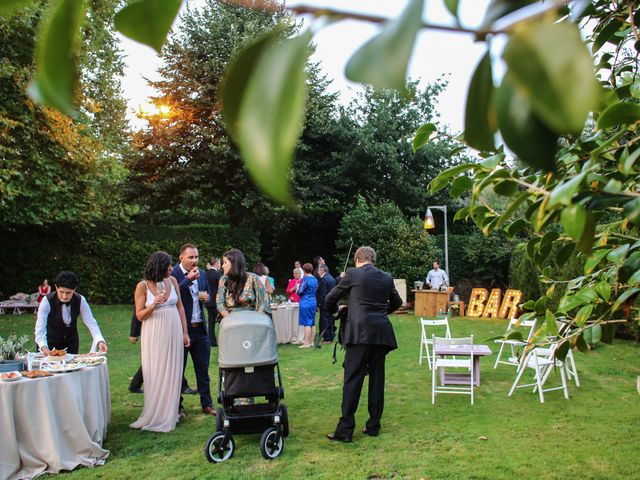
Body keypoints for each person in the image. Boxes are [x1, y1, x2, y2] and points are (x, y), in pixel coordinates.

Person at [325, 246, 403, 442]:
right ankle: (373, 426)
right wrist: (381, 313)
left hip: (359, 333)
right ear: (373, 259)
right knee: (377, 380)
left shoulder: (352, 274)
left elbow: (329, 298)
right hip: (381, 333)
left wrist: (338, 310)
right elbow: (398, 301)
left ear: (357, 259)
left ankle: (345, 430)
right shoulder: (386, 277)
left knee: (353, 379)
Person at [130, 251, 190, 432]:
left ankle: (171, 411)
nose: (171, 269)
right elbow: (140, 315)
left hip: (174, 329)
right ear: (158, 267)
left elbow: (179, 307)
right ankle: (157, 413)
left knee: (173, 369)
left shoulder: (171, 282)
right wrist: (153, 304)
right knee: (156, 370)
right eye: (168, 266)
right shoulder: (142, 286)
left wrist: (185, 332)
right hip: (154, 332)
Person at [171, 243, 215, 416]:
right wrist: (187, 279)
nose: (194, 260)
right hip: (181, 329)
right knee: (178, 371)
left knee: (203, 369)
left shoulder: (202, 274)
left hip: (200, 329)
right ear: (181, 257)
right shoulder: (173, 274)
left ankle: (207, 404)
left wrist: (207, 298)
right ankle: (178, 406)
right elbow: (173, 296)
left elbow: (208, 294)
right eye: (191, 257)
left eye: (196, 257)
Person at [35, 271, 108, 355]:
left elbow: (91, 322)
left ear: (74, 289)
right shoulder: (46, 301)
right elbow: (40, 328)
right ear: (56, 287)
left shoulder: (80, 300)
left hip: (71, 344)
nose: (64, 296)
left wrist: (100, 340)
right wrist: (44, 348)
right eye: (61, 292)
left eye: (68, 293)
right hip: (49, 344)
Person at [217, 249, 271, 318]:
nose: (222, 266)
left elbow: (263, 302)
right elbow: (219, 303)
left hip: (252, 319)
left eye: (225, 262)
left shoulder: (253, 278)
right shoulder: (223, 280)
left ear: (234, 263)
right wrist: (230, 319)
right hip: (230, 321)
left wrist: (257, 319)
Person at [297, 263, 318, 348]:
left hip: (305, 302)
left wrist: (297, 289)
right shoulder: (315, 279)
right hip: (313, 301)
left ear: (304, 270)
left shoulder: (305, 279)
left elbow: (300, 291)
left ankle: (306, 343)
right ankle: (311, 341)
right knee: (312, 322)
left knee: (307, 323)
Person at [317, 264, 336, 343]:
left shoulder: (323, 279)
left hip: (325, 304)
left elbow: (322, 294)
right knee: (330, 320)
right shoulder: (331, 278)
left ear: (322, 270)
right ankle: (331, 336)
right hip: (331, 302)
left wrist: (319, 304)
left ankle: (327, 338)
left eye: (318, 270)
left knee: (324, 321)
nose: (318, 272)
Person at [205, 257, 221, 348]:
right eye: (219, 263)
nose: (220, 265)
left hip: (208, 301)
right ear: (215, 263)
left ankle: (212, 341)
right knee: (221, 320)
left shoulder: (205, 274)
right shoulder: (217, 275)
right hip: (216, 302)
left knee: (211, 322)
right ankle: (224, 338)